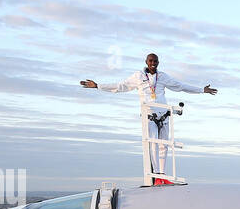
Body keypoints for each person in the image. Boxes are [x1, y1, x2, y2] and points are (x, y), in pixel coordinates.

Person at [80, 53, 217, 180]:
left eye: (155, 61)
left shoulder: (162, 77)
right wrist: (98, 86)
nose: (153, 63)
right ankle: (157, 175)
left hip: (164, 114)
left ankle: (162, 175)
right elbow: (120, 86)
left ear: (158, 63)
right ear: (146, 62)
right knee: (153, 145)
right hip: (149, 114)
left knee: (164, 145)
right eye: (150, 61)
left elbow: (180, 86)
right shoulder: (138, 76)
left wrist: (201, 90)